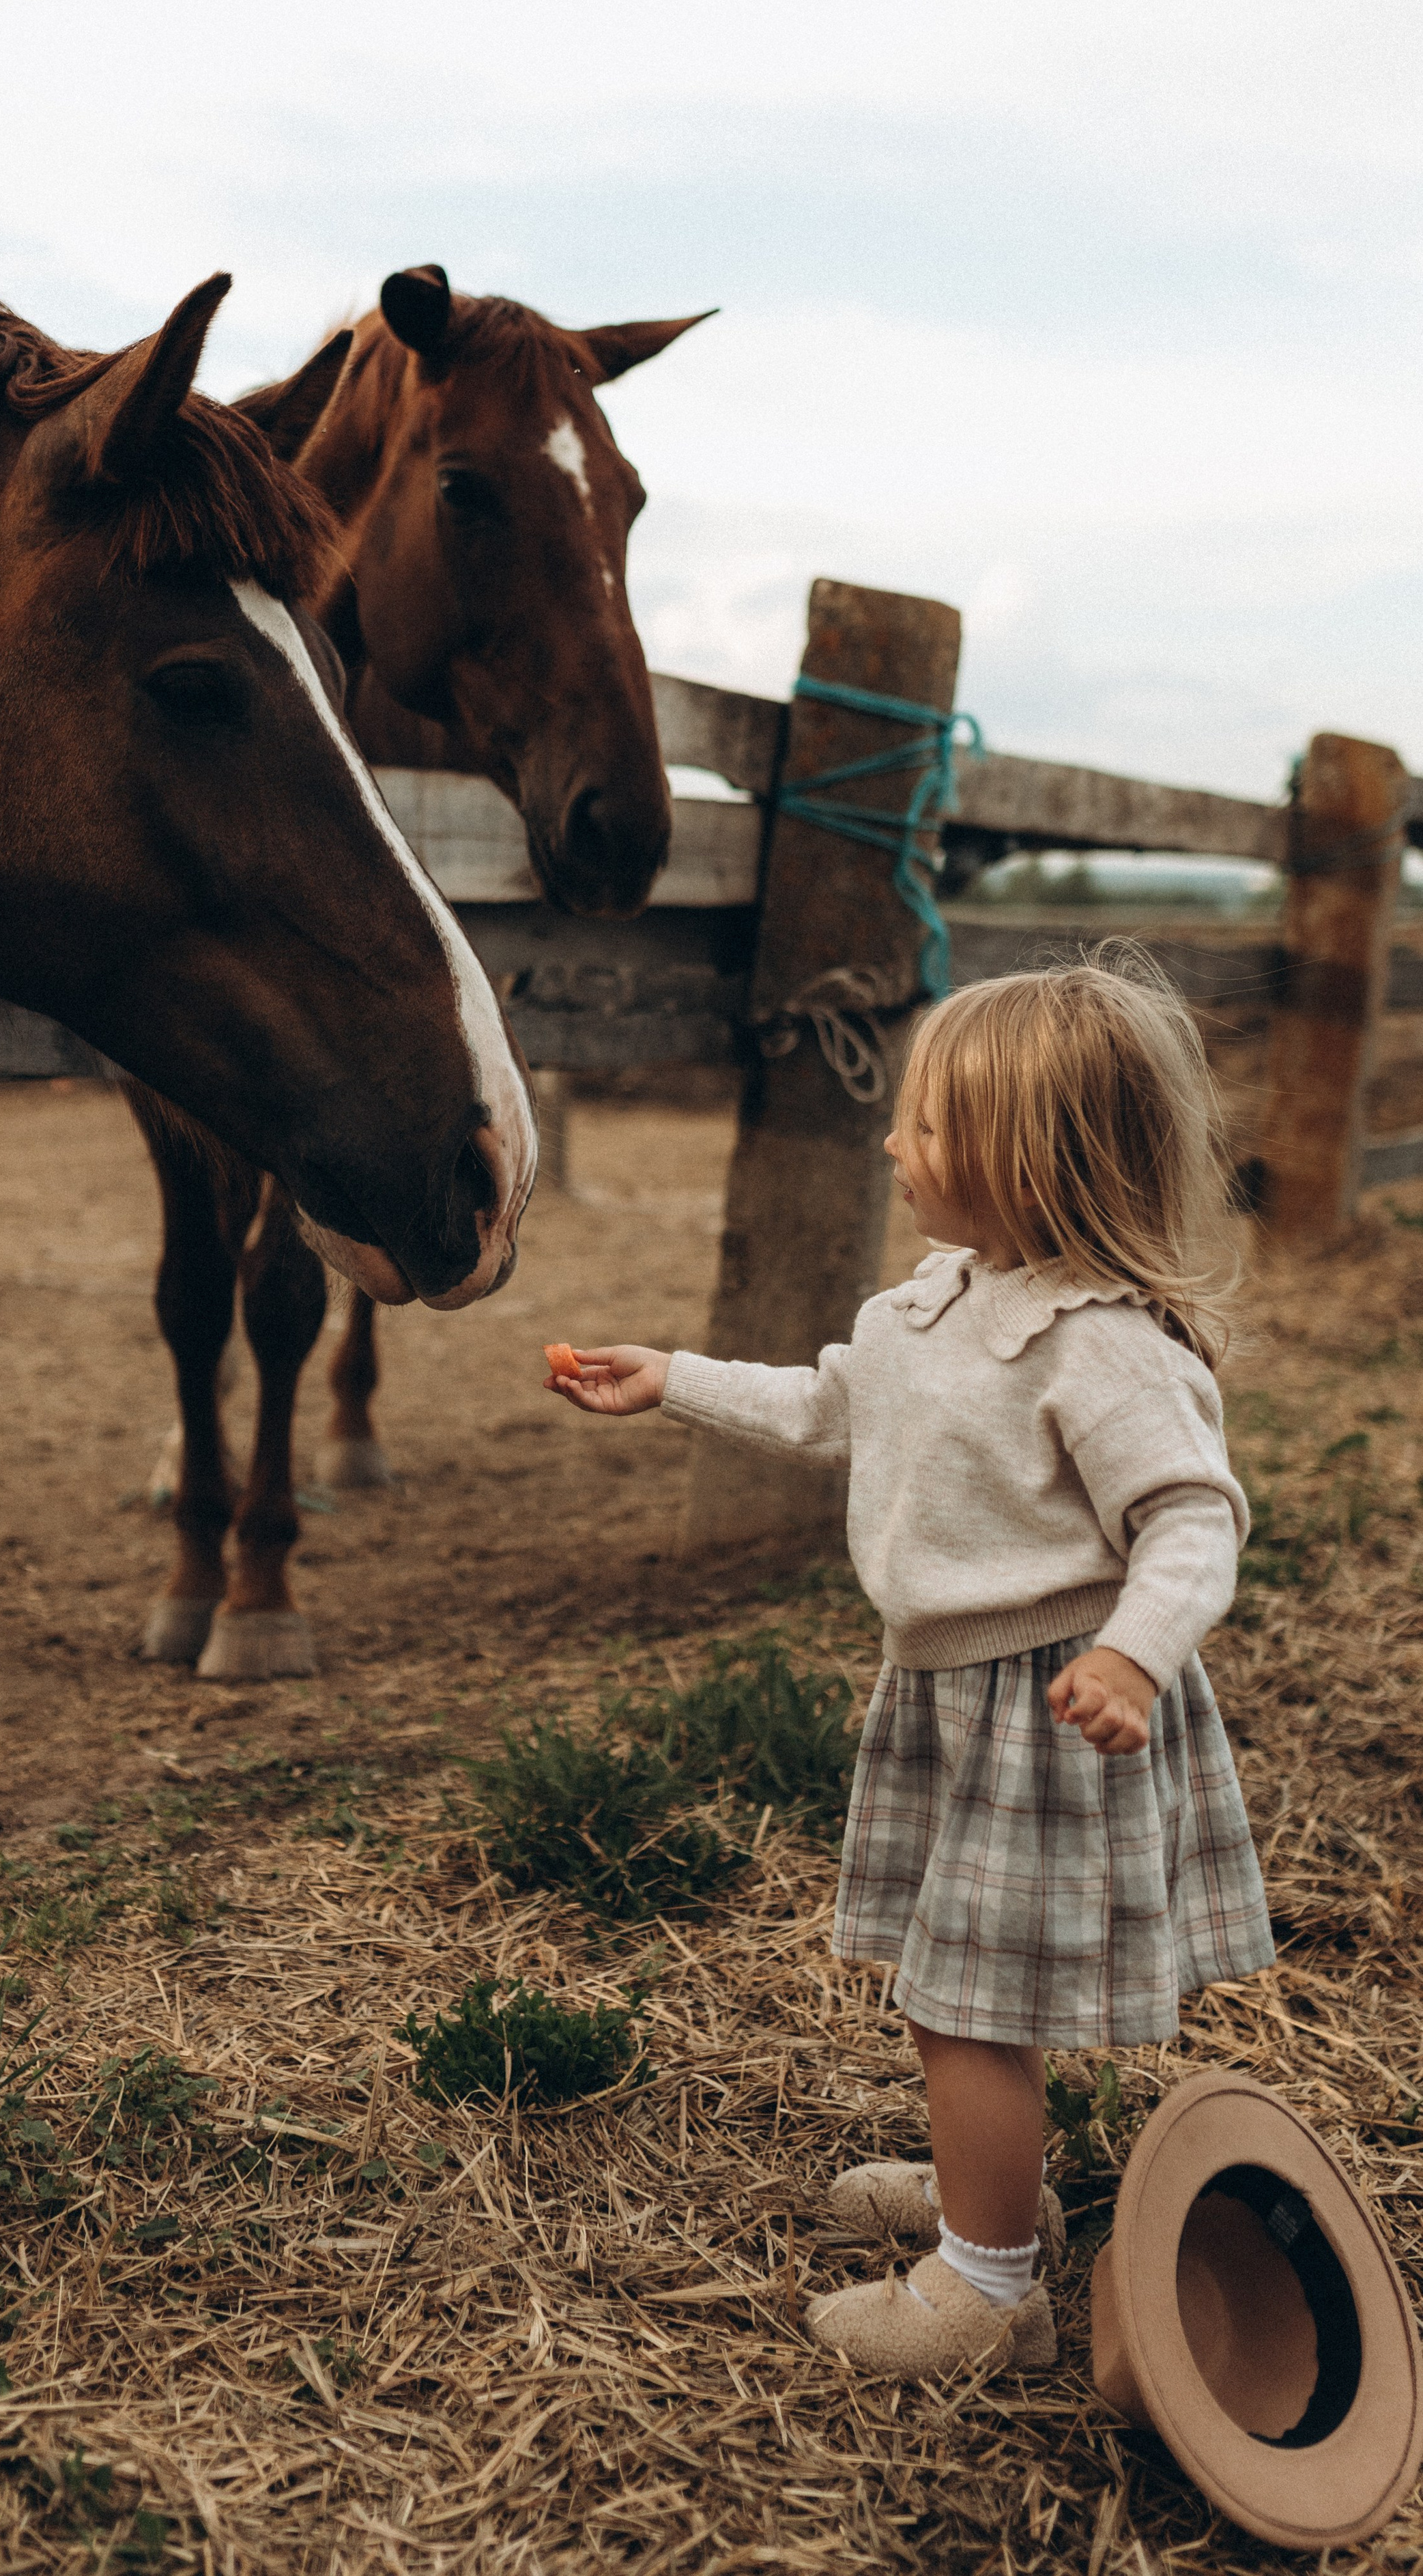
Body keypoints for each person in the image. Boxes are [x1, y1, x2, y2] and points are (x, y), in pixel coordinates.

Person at [544, 955, 1272, 2379]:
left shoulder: (1100, 1349)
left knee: (963, 2005)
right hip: (951, 1696)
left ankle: (988, 2286)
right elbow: (826, 1399)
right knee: (962, 1992)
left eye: (927, 1125)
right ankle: (984, 2197)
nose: (893, 1142)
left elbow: (1190, 1521)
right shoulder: (935, 1301)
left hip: (1052, 1707)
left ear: (1025, 1159)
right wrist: (673, 1379)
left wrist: (1130, 1653)